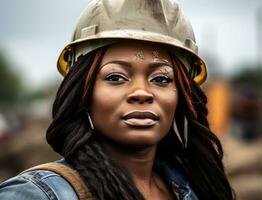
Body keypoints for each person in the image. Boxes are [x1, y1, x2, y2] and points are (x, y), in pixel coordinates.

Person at [0, 0, 235, 199]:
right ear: (83, 91)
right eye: (116, 77)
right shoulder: (37, 194)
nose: (142, 92)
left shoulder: (198, 188)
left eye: (161, 79)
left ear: (183, 96)